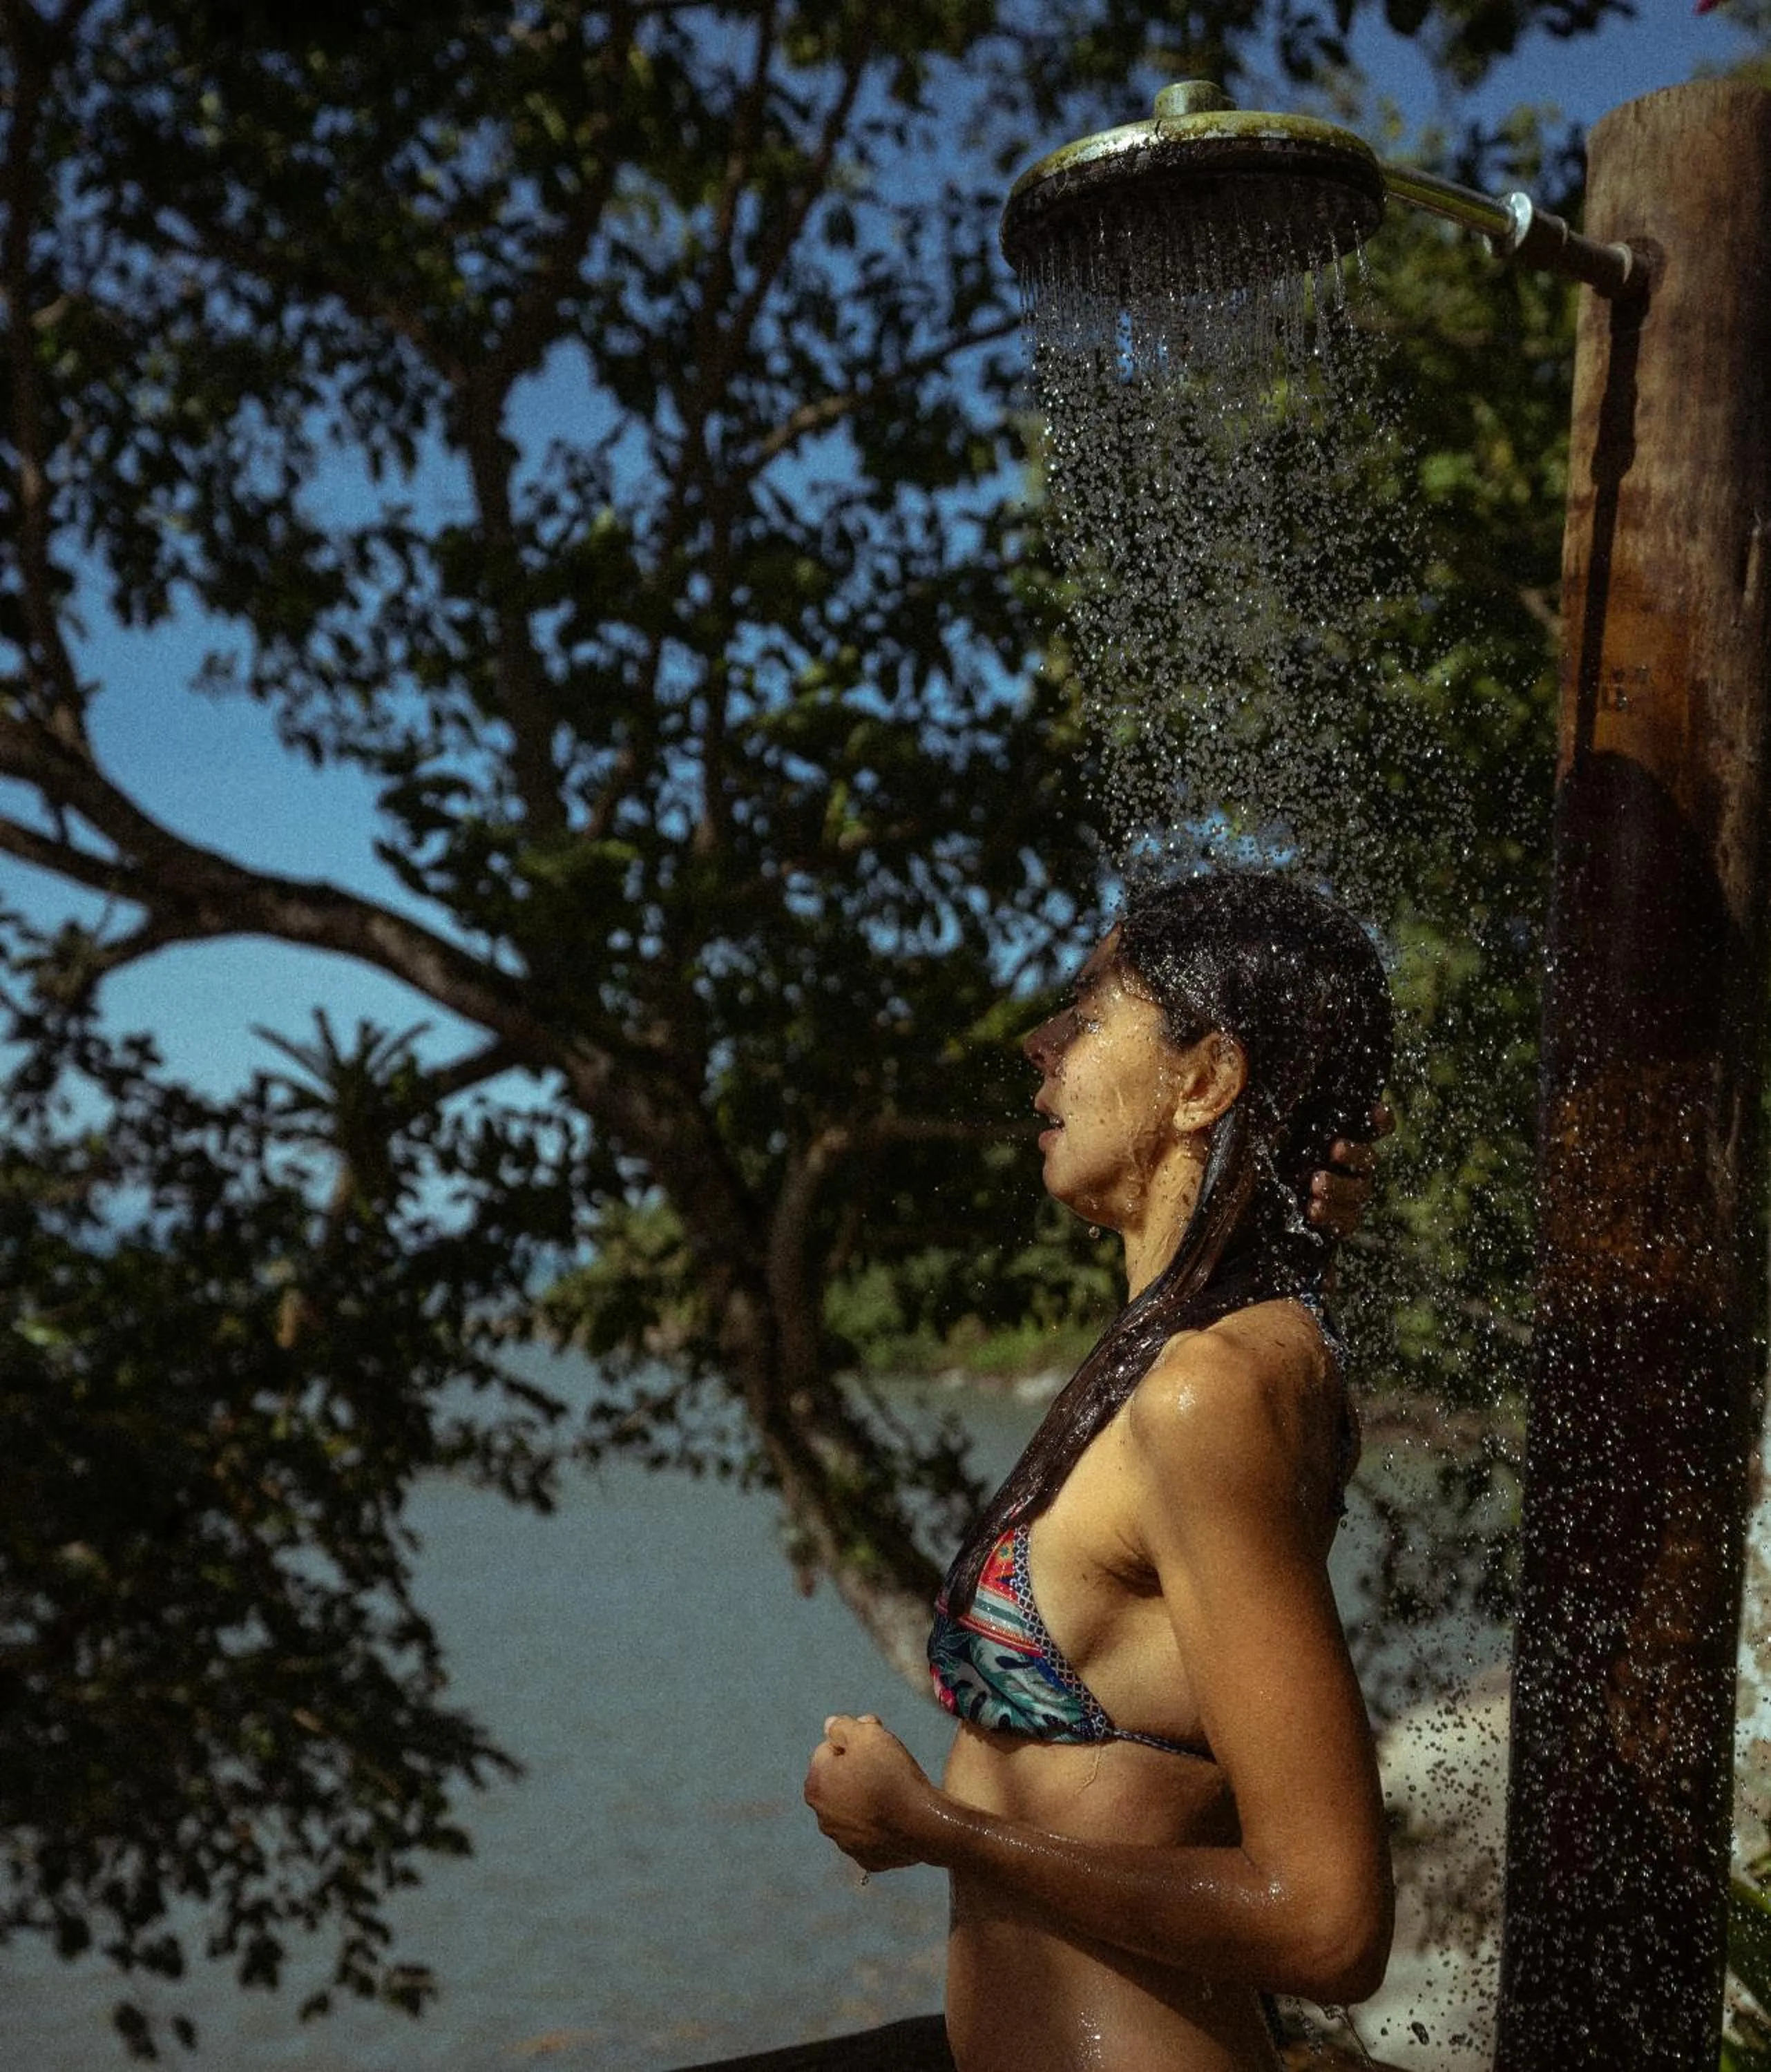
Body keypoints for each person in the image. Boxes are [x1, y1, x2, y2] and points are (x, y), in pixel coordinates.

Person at [805, 870, 1396, 2072]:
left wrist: (939, 1828)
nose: (1040, 1047)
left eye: (1085, 1010)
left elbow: (1331, 1923)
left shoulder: (1209, 1391)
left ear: (1205, 1082)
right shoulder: (1200, 1356)